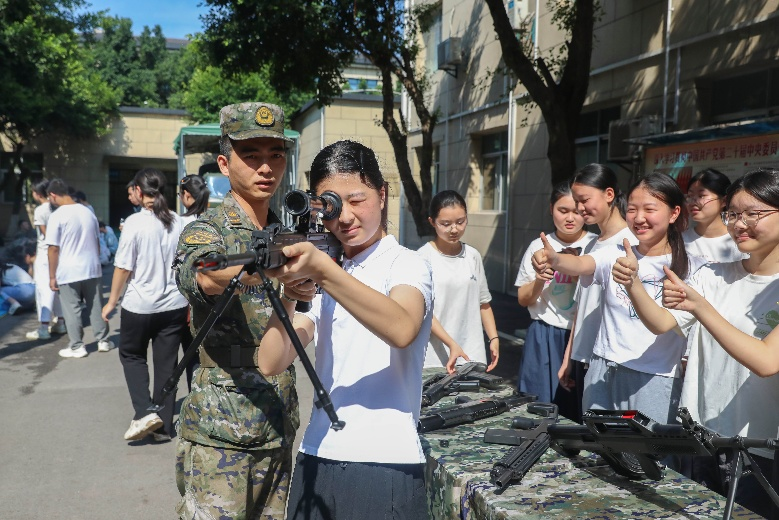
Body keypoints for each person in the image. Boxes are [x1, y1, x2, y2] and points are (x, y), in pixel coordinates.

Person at [258, 140, 433, 520]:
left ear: (382, 195)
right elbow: (271, 361)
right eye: (332, 206)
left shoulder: (405, 264)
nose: (346, 217)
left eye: (357, 200)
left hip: (386, 461)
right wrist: (291, 293)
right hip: (317, 453)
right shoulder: (328, 270)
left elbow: (402, 328)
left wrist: (322, 271)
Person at [615, 168, 779, 519]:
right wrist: (633, 285)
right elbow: (661, 323)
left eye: (753, 213)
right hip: (700, 433)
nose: (740, 224)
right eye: (733, 214)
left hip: (757, 444)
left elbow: (767, 362)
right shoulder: (714, 274)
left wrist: (701, 308)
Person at [173, 102, 298, 519]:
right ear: (225, 164)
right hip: (222, 432)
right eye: (252, 156)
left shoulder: (286, 232)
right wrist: (253, 266)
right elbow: (204, 274)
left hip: (278, 420)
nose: (266, 168)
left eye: (275, 155)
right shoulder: (206, 230)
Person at [533, 172, 706, 424]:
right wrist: (554, 258)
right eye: (632, 209)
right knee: (600, 445)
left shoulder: (693, 268)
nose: (639, 218)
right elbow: (580, 264)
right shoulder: (614, 254)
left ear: (674, 213)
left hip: (654, 379)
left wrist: (632, 282)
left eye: (649, 209)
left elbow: (662, 324)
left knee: (647, 449)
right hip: (603, 370)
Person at [101, 168, 188, 442]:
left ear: (138, 191)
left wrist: (111, 301)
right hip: (174, 304)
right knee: (167, 365)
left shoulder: (135, 223)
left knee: (132, 355)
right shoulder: (179, 222)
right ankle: (162, 427)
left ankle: (144, 412)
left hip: (139, 306)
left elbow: (123, 267)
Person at [555, 164, 637, 423]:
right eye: (576, 201)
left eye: (585, 200)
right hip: (585, 356)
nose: (580, 208)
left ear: (609, 194)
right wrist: (569, 357)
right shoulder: (592, 242)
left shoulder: (630, 242)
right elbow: (581, 307)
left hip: (611, 360)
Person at [515, 182, 596, 418]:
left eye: (576, 211)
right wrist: (540, 280)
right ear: (551, 209)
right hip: (544, 334)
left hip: (583, 335)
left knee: (578, 412)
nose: (570, 218)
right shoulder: (537, 246)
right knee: (538, 407)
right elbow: (523, 299)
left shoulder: (596, 244)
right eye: (563, 210)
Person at [418, 190, 496, 370]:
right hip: (434, 358)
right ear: (432, 222)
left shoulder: (473, 256)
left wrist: (494, 338)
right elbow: (423, 312)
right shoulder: (422, 258)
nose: (454, 229)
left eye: (460, 222)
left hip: (471, 354)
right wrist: (451, 343)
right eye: (445, 224)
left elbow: (483, 303)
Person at [45, 178, 112, 358]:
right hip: (92, 267)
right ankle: (103, 340)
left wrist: (52, 276)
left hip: (69, 270)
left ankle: (77, 346)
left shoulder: (57, 216)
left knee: (72, 308)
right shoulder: (88, 212)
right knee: (96, 305)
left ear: (53, 195)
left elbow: (53, 248)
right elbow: (97, 242)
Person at [25, 180, 66, 340]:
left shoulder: (41, 210)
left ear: (37, 193)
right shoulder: (59, 208)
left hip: (45, 254)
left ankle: (43, 327)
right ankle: (60, 322)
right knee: (56, 289)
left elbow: (46, 235)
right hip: (59, 253)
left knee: (44, 290)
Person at [683, 168, 743, 262]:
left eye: (701, 196)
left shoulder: (740, 239)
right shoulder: (680, 241)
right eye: (690, 196)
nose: (693, 202)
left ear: (724, 201)